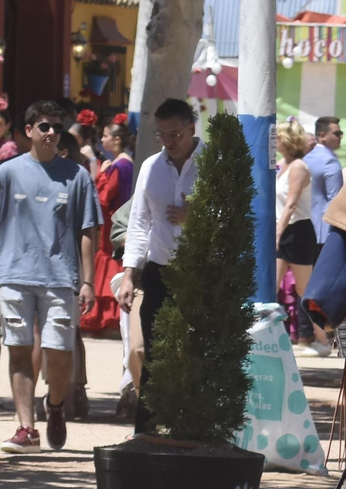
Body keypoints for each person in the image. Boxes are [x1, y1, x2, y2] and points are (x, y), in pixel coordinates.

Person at [0, 101, 98, 453]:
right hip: (14, 274)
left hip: (60, 278)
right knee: (19, 349)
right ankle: (27, 429)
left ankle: (55, 405)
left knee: (59, 353)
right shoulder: (7, 173)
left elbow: (88, 230)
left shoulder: (77, 176)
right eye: (44, 126)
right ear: (28, 131)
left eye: (57, 127)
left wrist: (88, 281)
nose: (52, 132)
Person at [115, 99, 200, 434]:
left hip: (200, 272)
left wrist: (196, 216)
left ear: (192, 127)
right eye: (162, 134)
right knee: (153, 351)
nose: (169, 140)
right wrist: (128, 276)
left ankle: (191, 426)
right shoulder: (151, 167)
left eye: (176, 133)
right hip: (159, 271)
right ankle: (145, 430)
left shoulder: (214, 162)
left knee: (195, 351)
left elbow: (236, 217)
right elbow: (138, 225)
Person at [80, 121, 134, 336]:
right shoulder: (122, 163)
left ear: (117, 139)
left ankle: (108, 318)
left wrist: (98, 169)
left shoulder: (120, 165)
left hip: (112, 221)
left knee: (110, 260)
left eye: (105, 136)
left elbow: (103, 198)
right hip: (115, 220)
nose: (102, 140)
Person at [274, 122, 323, 350]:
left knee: (305, 291)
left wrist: (277, 233)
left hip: (297, 231)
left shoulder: (299, 167)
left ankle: (323, 338)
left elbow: (292, 204)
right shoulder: (281, 165)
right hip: (282, 229)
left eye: (278, 136)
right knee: (269, 287)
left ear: (286, 140)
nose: (274, 140)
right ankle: (272, 339)